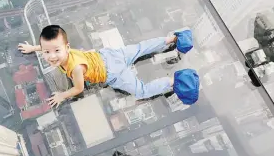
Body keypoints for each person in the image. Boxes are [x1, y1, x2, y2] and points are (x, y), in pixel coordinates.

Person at [18, 25, 199, 108]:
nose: (51, 56)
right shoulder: (65, 51)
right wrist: (33, 48)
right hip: (109, 54)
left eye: (56, 51)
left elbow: (78, 88)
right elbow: (48, 46)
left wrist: (61, 96)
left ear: (65, 48)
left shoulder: (75, 69)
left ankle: (171, 81)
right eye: (47, 52)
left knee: (141, 91)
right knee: (140, 48)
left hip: (113, 73)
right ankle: (171, 39)